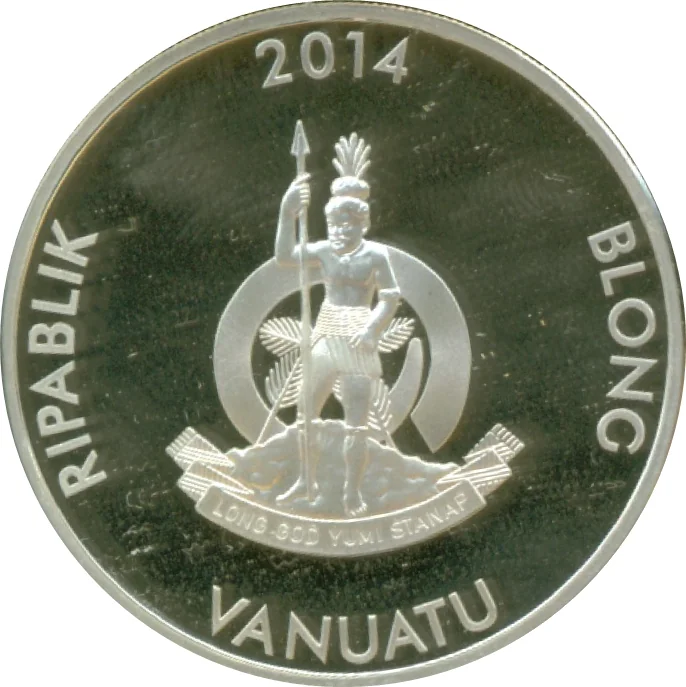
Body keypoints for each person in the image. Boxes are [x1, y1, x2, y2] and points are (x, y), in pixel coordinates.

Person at [274, 134, 401, 516]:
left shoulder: (376, 255)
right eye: (333, 223)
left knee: (357, 424)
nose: (339, 230)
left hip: (359, 335)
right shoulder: (325, 250)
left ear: (362, 224)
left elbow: (390, 297)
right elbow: (285, 256)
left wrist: (373, 330)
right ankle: (305, 481)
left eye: (347, 224)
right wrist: (287, 213)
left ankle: (352, 493)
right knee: (305, 413)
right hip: (328, 332)